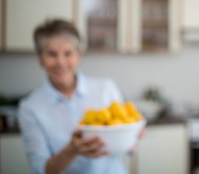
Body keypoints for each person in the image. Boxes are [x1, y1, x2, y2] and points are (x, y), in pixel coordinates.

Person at [18, 19, 130, 174]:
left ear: (79, 55)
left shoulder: (106, 88)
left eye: (68, 53)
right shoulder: (30, 108)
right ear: (39, 58)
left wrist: (132, 136)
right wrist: (71, 150)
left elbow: (126, 147)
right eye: (51, 54)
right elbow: (40, 170)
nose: (61, 62)